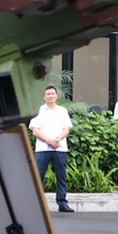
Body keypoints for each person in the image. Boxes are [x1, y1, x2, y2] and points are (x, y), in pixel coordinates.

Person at [29, 85, 74, 213]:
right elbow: (35, 131)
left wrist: (57, 140)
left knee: (61, 177)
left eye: (52, 93)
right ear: (44, 97)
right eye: (48, 94)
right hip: (43, 149)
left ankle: (62, 203)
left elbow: (66, 129)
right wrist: (49, 140)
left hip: (59, 148)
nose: (50, 96)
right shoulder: (38, 110)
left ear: (56, 96)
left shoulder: (62, 111)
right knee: (38, 177)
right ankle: (35, 204)